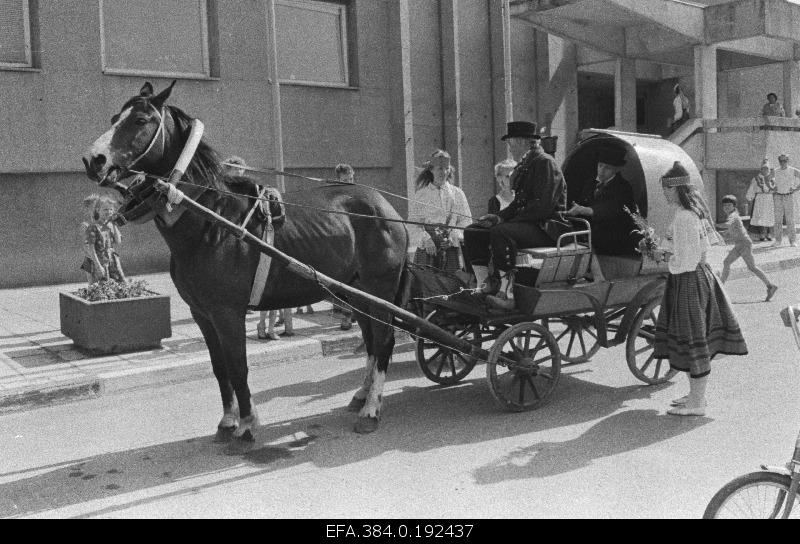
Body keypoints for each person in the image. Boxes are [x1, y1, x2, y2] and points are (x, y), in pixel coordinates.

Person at [652, 161, 748, 417]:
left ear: (675, 190)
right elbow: (695, 248)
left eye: (665, 189)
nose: (663, 193)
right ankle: (695, 395)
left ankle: (698, 402)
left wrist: (662, 259)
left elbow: (686, 259)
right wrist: (663, 249)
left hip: (688, 280)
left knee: (692, 339)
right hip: (697, 278)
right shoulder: (691, 213)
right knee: (691, 338)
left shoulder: (684, 216)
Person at [463, 121, 568, 310]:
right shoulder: (527, 164)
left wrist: (506, 222)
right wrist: (498, 217)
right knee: (473, 231)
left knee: (501, 233)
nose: (510, 148)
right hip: (531, 224)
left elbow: (542, 207)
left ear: (522, 142)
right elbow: (518, 203)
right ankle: (485, 284)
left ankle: (507, 294)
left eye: (510, 143)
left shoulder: (545, 163)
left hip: (547, 227)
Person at [565, 145, 640, 256]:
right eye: (600, 166)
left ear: (616, 169)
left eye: (607, 168)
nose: (602, 170)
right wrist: (575, 208)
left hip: (613, 237)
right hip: (592, 233)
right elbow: (583, 202)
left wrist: (583, 210)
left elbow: (610, 209)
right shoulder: (590, 183)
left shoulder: (623, 187)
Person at [407, 150, 472, 272]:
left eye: (446, 168)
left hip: (450, 250)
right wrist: (425, 240)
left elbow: (466, 221)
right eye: (440, 168)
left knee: (452, 285)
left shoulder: (457, 194)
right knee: (427, 286)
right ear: (431, 169)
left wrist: (453, 237)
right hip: (427, 250)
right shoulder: (421, 195)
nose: (444, 172)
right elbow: (413, 224)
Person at [719, 194, 778, 301]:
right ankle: (720, 287)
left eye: (729, 205)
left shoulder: (734, 216)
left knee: (752, 267)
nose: (726, 207)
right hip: (739, 244)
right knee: (726, 262)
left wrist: (712, 225)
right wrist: (724, 235)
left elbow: (727, 225)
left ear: (734, 206)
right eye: (725, 205)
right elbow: (730, 230)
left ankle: (770, 286)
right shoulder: (732, 216)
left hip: (744, 244)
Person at [80, 194, 126, 284]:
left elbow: (118, 241)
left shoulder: (109, 223)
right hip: (94, 258)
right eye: (105, 209)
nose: (108, 211)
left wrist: (114, 224)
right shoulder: (88, 225)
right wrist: (97, 265)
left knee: (119, 283)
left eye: (111, 209)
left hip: (109, 258)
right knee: (97, 284)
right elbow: (88, 247)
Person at [772, 153, 800, 247]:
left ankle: (792, 241)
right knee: (778, 219)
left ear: (788, 161)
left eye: (785, 160)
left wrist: (796, 189)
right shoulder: (775, 171)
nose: (783, 162)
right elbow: (767, 179)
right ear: (779, 161)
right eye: (781, 161)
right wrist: (772, 187)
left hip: (788, 196)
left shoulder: (792, 170)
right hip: (778, 196)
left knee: (790, 219)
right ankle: (778, 240)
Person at [745, 158, 775, 242]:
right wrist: (749, 197)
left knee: (769, 216)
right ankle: (761, 234)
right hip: (760, 199)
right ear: (761, 169)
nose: (765, 170)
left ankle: (769, 234)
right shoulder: (756, 179)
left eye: (767, 168)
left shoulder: (772, 179)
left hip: (769, 199)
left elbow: (776, 189)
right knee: (760, 217)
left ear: (769, 169)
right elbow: (752, 188)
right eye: (763, 168)